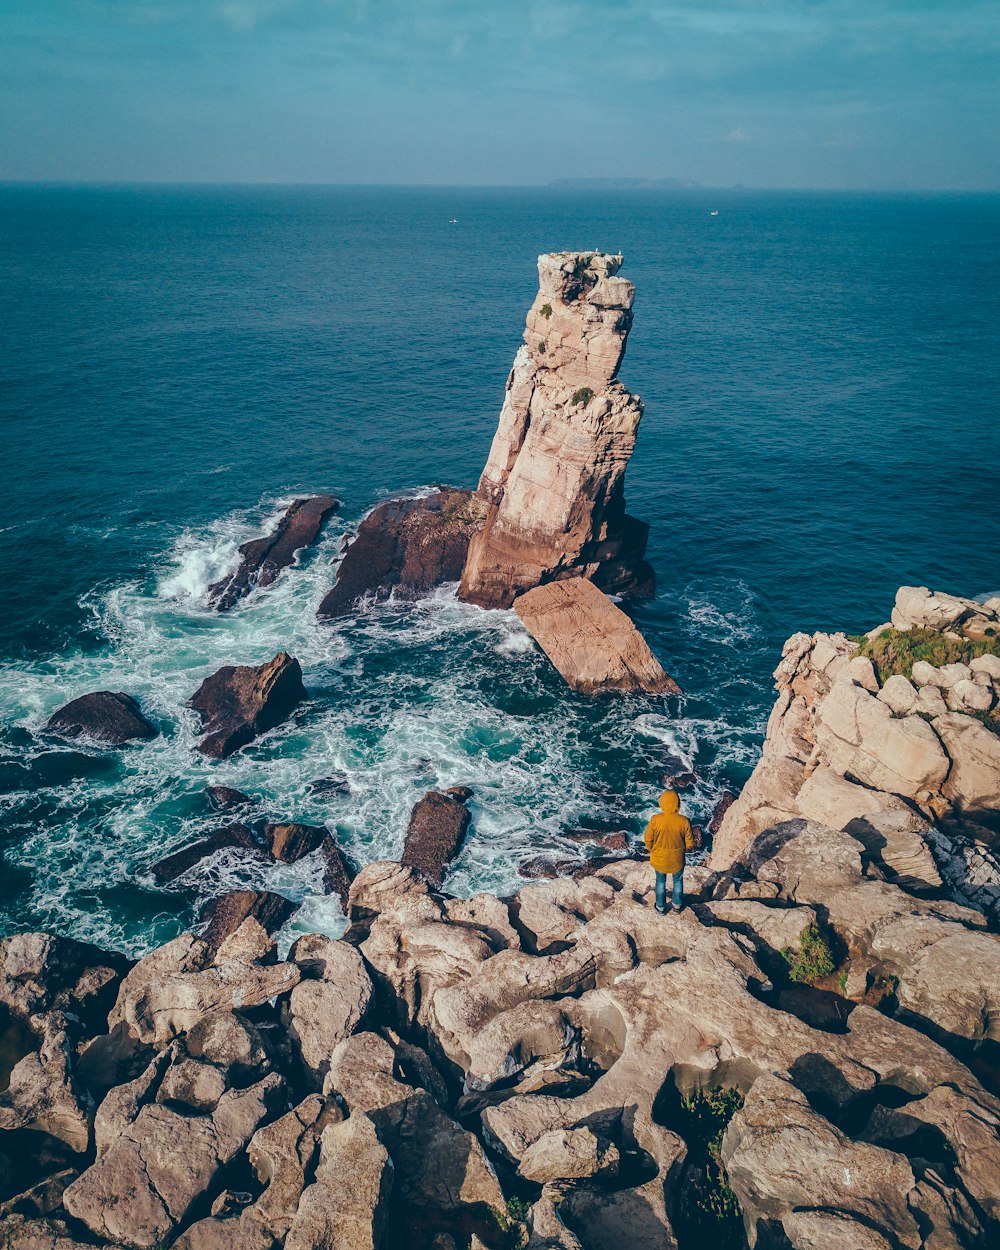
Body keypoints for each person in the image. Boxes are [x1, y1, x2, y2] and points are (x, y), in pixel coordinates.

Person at [643, 789, 694, 914]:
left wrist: (652, 849)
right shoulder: (684, 821)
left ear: (662, 803)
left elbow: (647, 838)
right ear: (678, 804)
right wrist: (682, 850)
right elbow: (690, 843)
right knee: (678, 881)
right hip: (677, 859)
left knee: (660, 881)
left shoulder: (655, 819)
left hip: (659, 858)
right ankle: (677, 905)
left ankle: (660, 907)